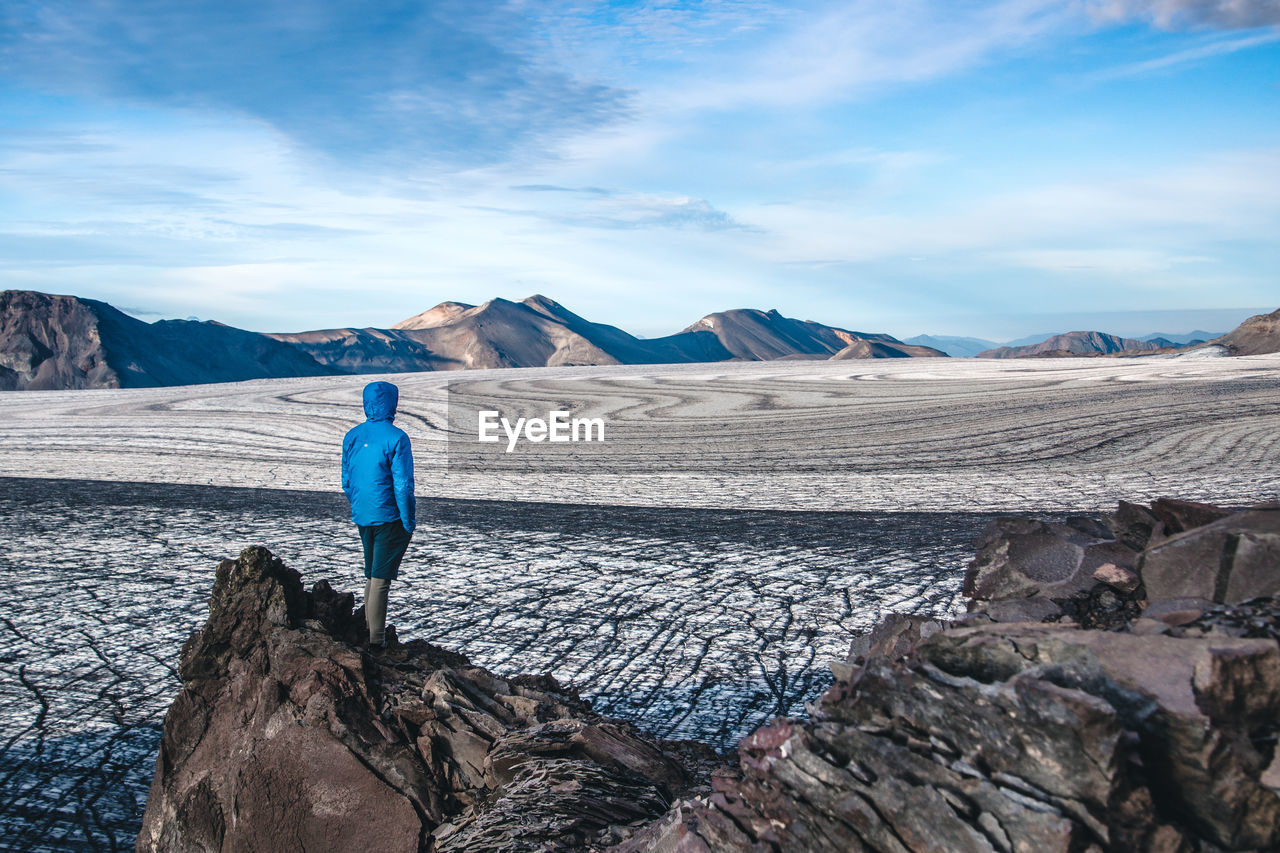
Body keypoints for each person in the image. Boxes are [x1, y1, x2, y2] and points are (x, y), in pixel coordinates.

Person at [341, 380, 416, 652]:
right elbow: (403, 484)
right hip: (389, 517)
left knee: (371, 575)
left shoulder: (352, 436)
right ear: (392, 403)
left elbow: (347, 481)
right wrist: (408, 520)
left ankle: (368, 630)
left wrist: (359, 506)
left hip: (363, 515)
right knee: (381, 579)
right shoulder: (396, 438)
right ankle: (377, 642)